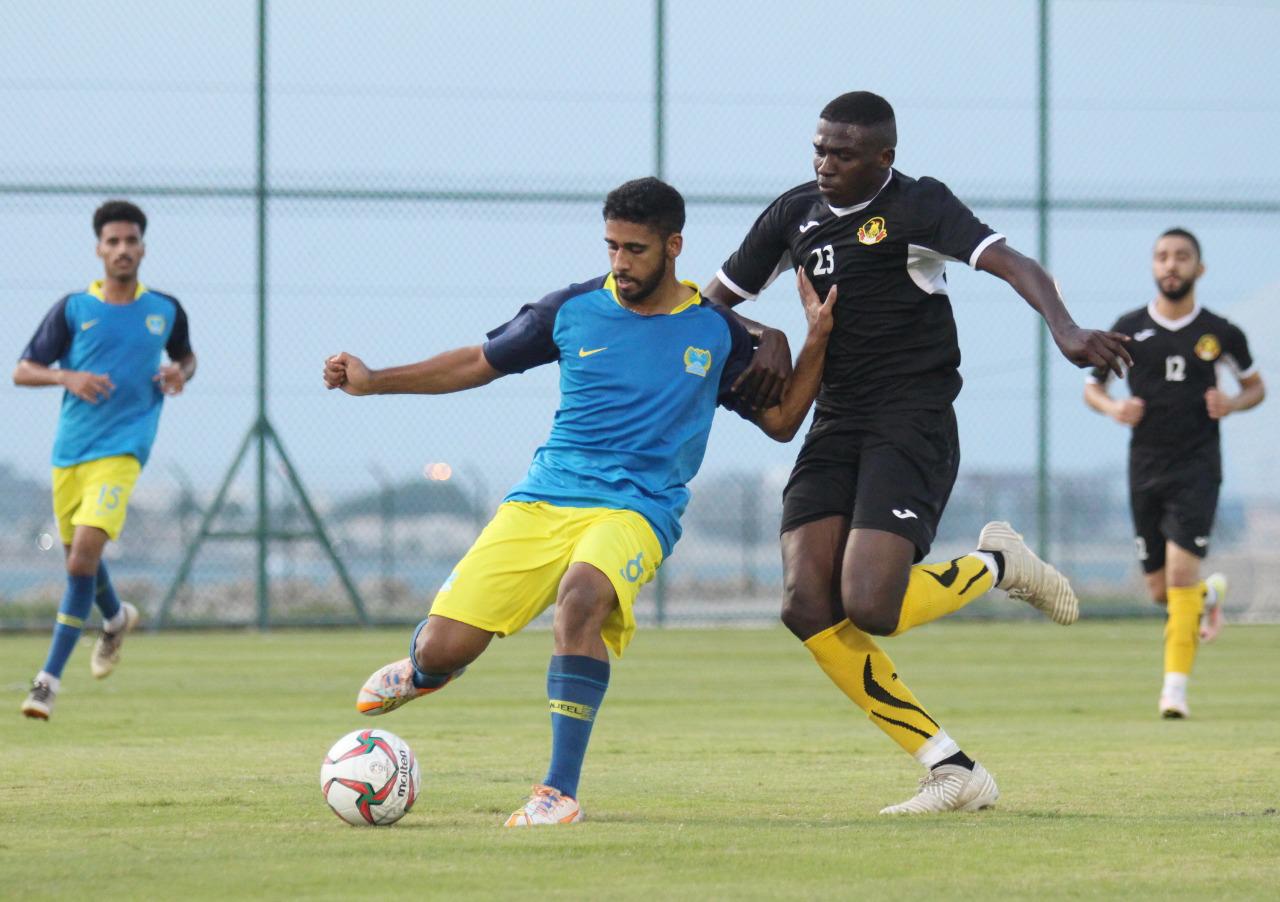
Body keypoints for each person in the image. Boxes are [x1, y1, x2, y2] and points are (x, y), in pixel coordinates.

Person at [323, 177, 835, 826]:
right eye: (612, 247)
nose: (619, 263)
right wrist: (374, 382)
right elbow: (477, 363)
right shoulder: (571, 310)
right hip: (543, 500)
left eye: (635, 249)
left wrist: (814, 339)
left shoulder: (717, 334)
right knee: (448, 649)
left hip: (638, 510)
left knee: (582, 598)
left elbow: (784, 420)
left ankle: (557, 791)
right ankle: (424, 668)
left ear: (673, 246)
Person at [703, 91, 1133, 815]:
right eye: (818, 148)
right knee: (806, 604)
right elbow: (706, 304)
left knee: (871, 604)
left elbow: (1012, 262)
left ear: (883, 158)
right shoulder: (792, 214)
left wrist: (1065, 327)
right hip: (836, 421)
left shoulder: (918, 207)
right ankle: (950, 768)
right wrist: (763, 334)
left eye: (842, 154)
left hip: (912, 418)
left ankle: (999, 564)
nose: (825, 164)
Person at [15, 200, 196, 720]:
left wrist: (182, 372)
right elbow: (23, 370)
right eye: (112, 241)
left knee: (79, 561)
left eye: (130, 241)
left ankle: (46, 683)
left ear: (143, 247)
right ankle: (115, 619)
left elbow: (186, 356)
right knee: (81, 563)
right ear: (99, 249)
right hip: (70, 453)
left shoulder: (165, 309)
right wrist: (65, 376)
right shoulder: (74, 309)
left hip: (123, 450)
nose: (122, 249)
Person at [1084, 228, 1264, 718]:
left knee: (1182, 573)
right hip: (1144, 468)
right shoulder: (1128, 328)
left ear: (1198, 269)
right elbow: (1092, 389)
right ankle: (1209, 597)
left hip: (1198, 468)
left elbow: (1256, 388)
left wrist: (1232, 401)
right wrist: (1113, 408)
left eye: (1182, 257)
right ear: (1153, 266)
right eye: (1163, 256)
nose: (1171, 265)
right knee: (1162, 590)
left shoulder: (1222, 333)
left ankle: (1174, 692)